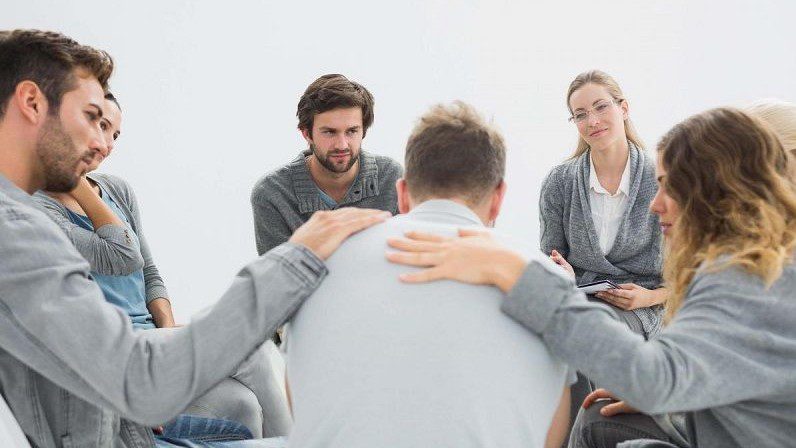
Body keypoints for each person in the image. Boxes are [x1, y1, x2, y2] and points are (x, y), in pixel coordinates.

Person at [0, 29, 389, 447]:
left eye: (108, 128)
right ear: (32, 102)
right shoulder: (18, 230)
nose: (99, 143)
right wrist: (296, 258)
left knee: (251, 410)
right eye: (91, 116)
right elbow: (138, 380)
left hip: (123, 424)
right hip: (121, 430)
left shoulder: (22, 221)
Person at [387, 107, 796, 448]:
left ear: (714, 191)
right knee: (600, 414)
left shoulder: (747, 279)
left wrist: (517, 274)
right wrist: (674, 403)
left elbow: (656, 380)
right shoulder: (755, 269)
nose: (655, 205)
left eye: (669, 187)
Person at [286, 102, 571, 448]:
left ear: (402, 194)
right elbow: (550, 436)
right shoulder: (545, 281)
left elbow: (300, 405)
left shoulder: (317, 265)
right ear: (498, 199)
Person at [32, 92, 291, 438]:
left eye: (115, 134)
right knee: (253, 349)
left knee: (242, 404)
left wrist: (170, 344)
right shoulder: (38, 209)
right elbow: (123, 253)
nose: (107, 145)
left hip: (153, 343)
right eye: (101, 127)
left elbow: (149, 274)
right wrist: (74, 181)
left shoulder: (117, 190)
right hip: (119, 354)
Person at [541, 70, 664, 338]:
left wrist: (650, 297)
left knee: (593, 330)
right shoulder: (559, 182)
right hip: (577, 300)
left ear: (624, 108)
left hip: (640, 307)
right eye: (581, 114)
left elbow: (694, 273)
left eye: (601, 107)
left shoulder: (661, 179)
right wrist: (563, 272)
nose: (593, 121)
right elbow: (551, 258)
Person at [251, 73, 403, 256]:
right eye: (330, 132)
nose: (342, 145)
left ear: (363, 131)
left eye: (352, 131)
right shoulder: (272, 193)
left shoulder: (392, 177)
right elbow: (279, 272)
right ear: (307, 134)